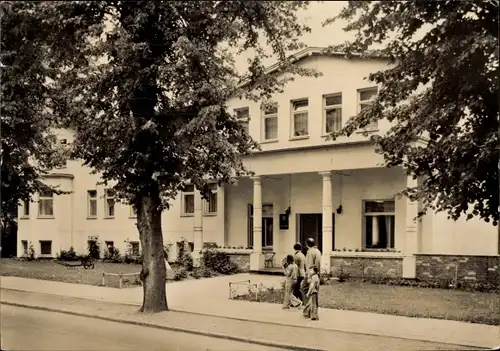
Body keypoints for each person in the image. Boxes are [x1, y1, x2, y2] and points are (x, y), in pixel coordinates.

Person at [300, 238, 322, 311]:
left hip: (311, 274)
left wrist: (309, 276)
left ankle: (308, 307)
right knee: (314, 291)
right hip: (317, 274)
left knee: (303, 288)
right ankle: (314, 309)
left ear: (307, 244)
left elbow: (309, 265)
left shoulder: (310, 252)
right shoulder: (318, 251)